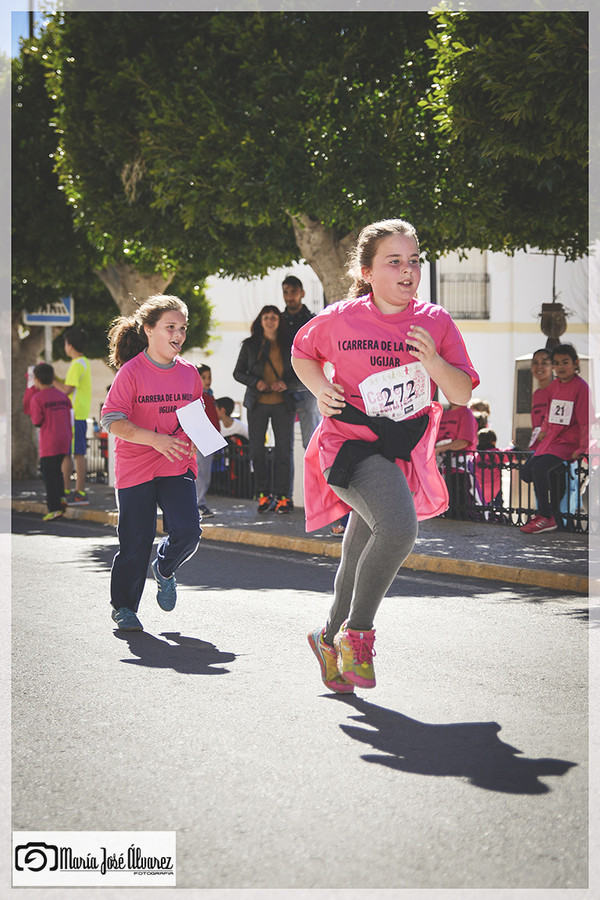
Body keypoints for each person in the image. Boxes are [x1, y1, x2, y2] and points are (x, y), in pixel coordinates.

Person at [292, 218, 478, 691]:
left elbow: (460, 394)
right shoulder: (340, 318)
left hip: (398, 452)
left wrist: (433, 360)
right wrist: (320, 388)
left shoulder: (435, 321)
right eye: (394, 261)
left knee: (358, 553)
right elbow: (301, 351)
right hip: (348, 449)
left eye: (413, 260)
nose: (407, 270)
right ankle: (358, 634)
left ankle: (326, 635)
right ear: (368, 271)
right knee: (397, 529)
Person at [100, 294, 203, 631]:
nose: (178, 334)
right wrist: (155, 439)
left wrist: (202, 442)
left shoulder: (189, 374)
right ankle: (125, 608)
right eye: (170, 327)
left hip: (176, 465)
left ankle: (165, 568)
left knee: (188, 532)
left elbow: (195, 418)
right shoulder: (130, 373)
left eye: (182, 328)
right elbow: (112, 420)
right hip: (136, 467)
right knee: (135, 542)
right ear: (148, 329)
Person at [233, 305, 301, 514]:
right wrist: (256, 382)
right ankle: (263, 495)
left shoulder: (289, 344)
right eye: (266, 317)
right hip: (257, 404)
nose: (270, 321)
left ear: (279, 321)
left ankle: (283, 497)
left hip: (283, 405)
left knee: (284, 452)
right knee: (257, 451)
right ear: (260, 321)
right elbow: (238, 373)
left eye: (274, 317)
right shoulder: (251, 345)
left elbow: (301, 372)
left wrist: (286, 384)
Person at [520, 343, 591, 534]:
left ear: (575, 363)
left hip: (568, 442)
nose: (560, 367)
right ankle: (547, 512)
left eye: (565, 362)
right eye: (557, 363)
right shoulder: (553, 387)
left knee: (540, 469)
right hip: (550, 440)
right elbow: (549, 415)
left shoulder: (581, 387)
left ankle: (546, 516)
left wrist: (583, 447)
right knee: (527, 473)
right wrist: (543, 431)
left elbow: (585, 421)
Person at [26, 362, 73, 521]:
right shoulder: (63, 396)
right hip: (64, 440)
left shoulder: (37, 398)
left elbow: (37, 421)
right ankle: (61, 498)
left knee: (49, 475)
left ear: (37, 380)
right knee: (57, 472)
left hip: (49, 442)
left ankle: (54, 508)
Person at [281, 275, 321, 448]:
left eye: (293, 292)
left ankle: (314, 476)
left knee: (311, 442)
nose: (289, 296)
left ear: (302, 293)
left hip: (308, 385)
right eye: (286, 292)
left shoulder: (313, 320)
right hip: (282, 387)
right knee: (284, 446)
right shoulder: (278, 321)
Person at [54, 326, 92, 505]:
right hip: (78, 413)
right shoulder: (83, 362)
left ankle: (78, 492)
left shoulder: (77, 364)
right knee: (70, 453)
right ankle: (69, 490)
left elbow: (67, 389)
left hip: (74, 414)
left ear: (70, 345)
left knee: (76, 454)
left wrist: (50, 381)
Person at [435, 401, 479, 518]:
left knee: (459, 508)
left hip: (459, 470)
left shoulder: (466, 414)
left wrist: (439, 449)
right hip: (442, 467)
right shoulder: (444, 414)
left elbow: (464, 441)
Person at [195, 364, 219, 518]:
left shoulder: (210, 395)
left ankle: (200, 502)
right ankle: (198, 503)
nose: (207, 380)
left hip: (210, 437)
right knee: (200, 472)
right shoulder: (198, 396)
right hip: (201, 437)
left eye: (209, 377)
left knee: (206, 472)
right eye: (203, 377)